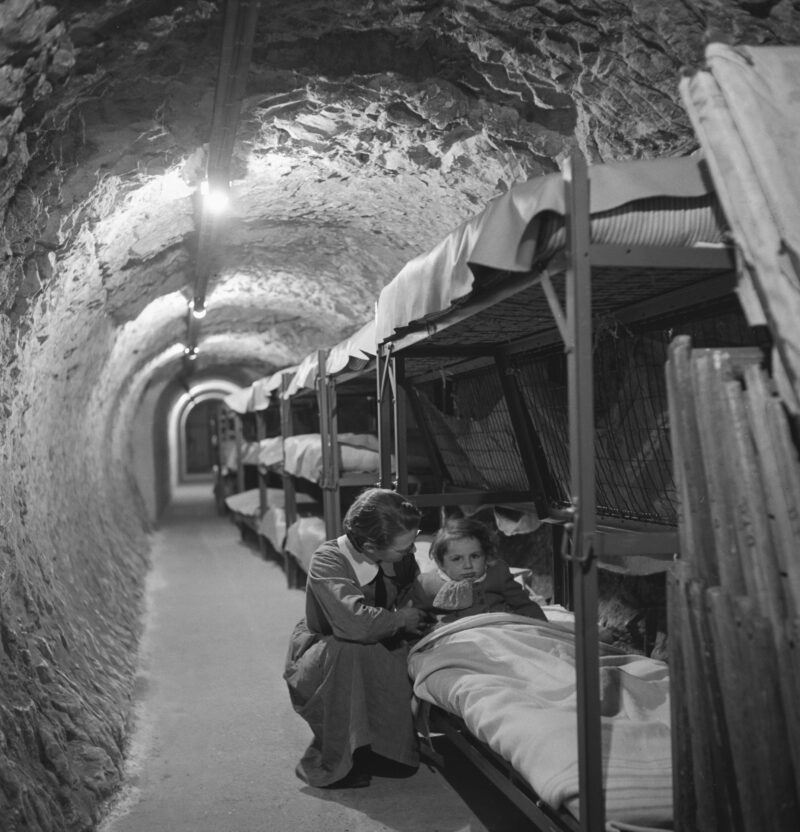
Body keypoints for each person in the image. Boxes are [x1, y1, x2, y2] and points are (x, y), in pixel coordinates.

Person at [283, 488, 433, 789]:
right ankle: (342, 756)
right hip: (326, 648)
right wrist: (400, 619)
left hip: (377, 640)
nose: (412, 552)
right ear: (369, 547)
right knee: (349, 651)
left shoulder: (401, 561)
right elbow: (353, 623)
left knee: (395, 657)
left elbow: (408, 601)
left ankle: (379, 747)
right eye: (403, 548)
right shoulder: (328, 560)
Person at [409, 517, 547, 623]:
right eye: (457, 559)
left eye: (475, 556)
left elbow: (524, 605)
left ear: (486, 556)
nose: (468, 565)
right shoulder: (426, 585)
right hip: (456, 638)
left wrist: (541, 628)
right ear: (440, 563)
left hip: (497, 628)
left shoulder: (497, 573)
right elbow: (416, 616)